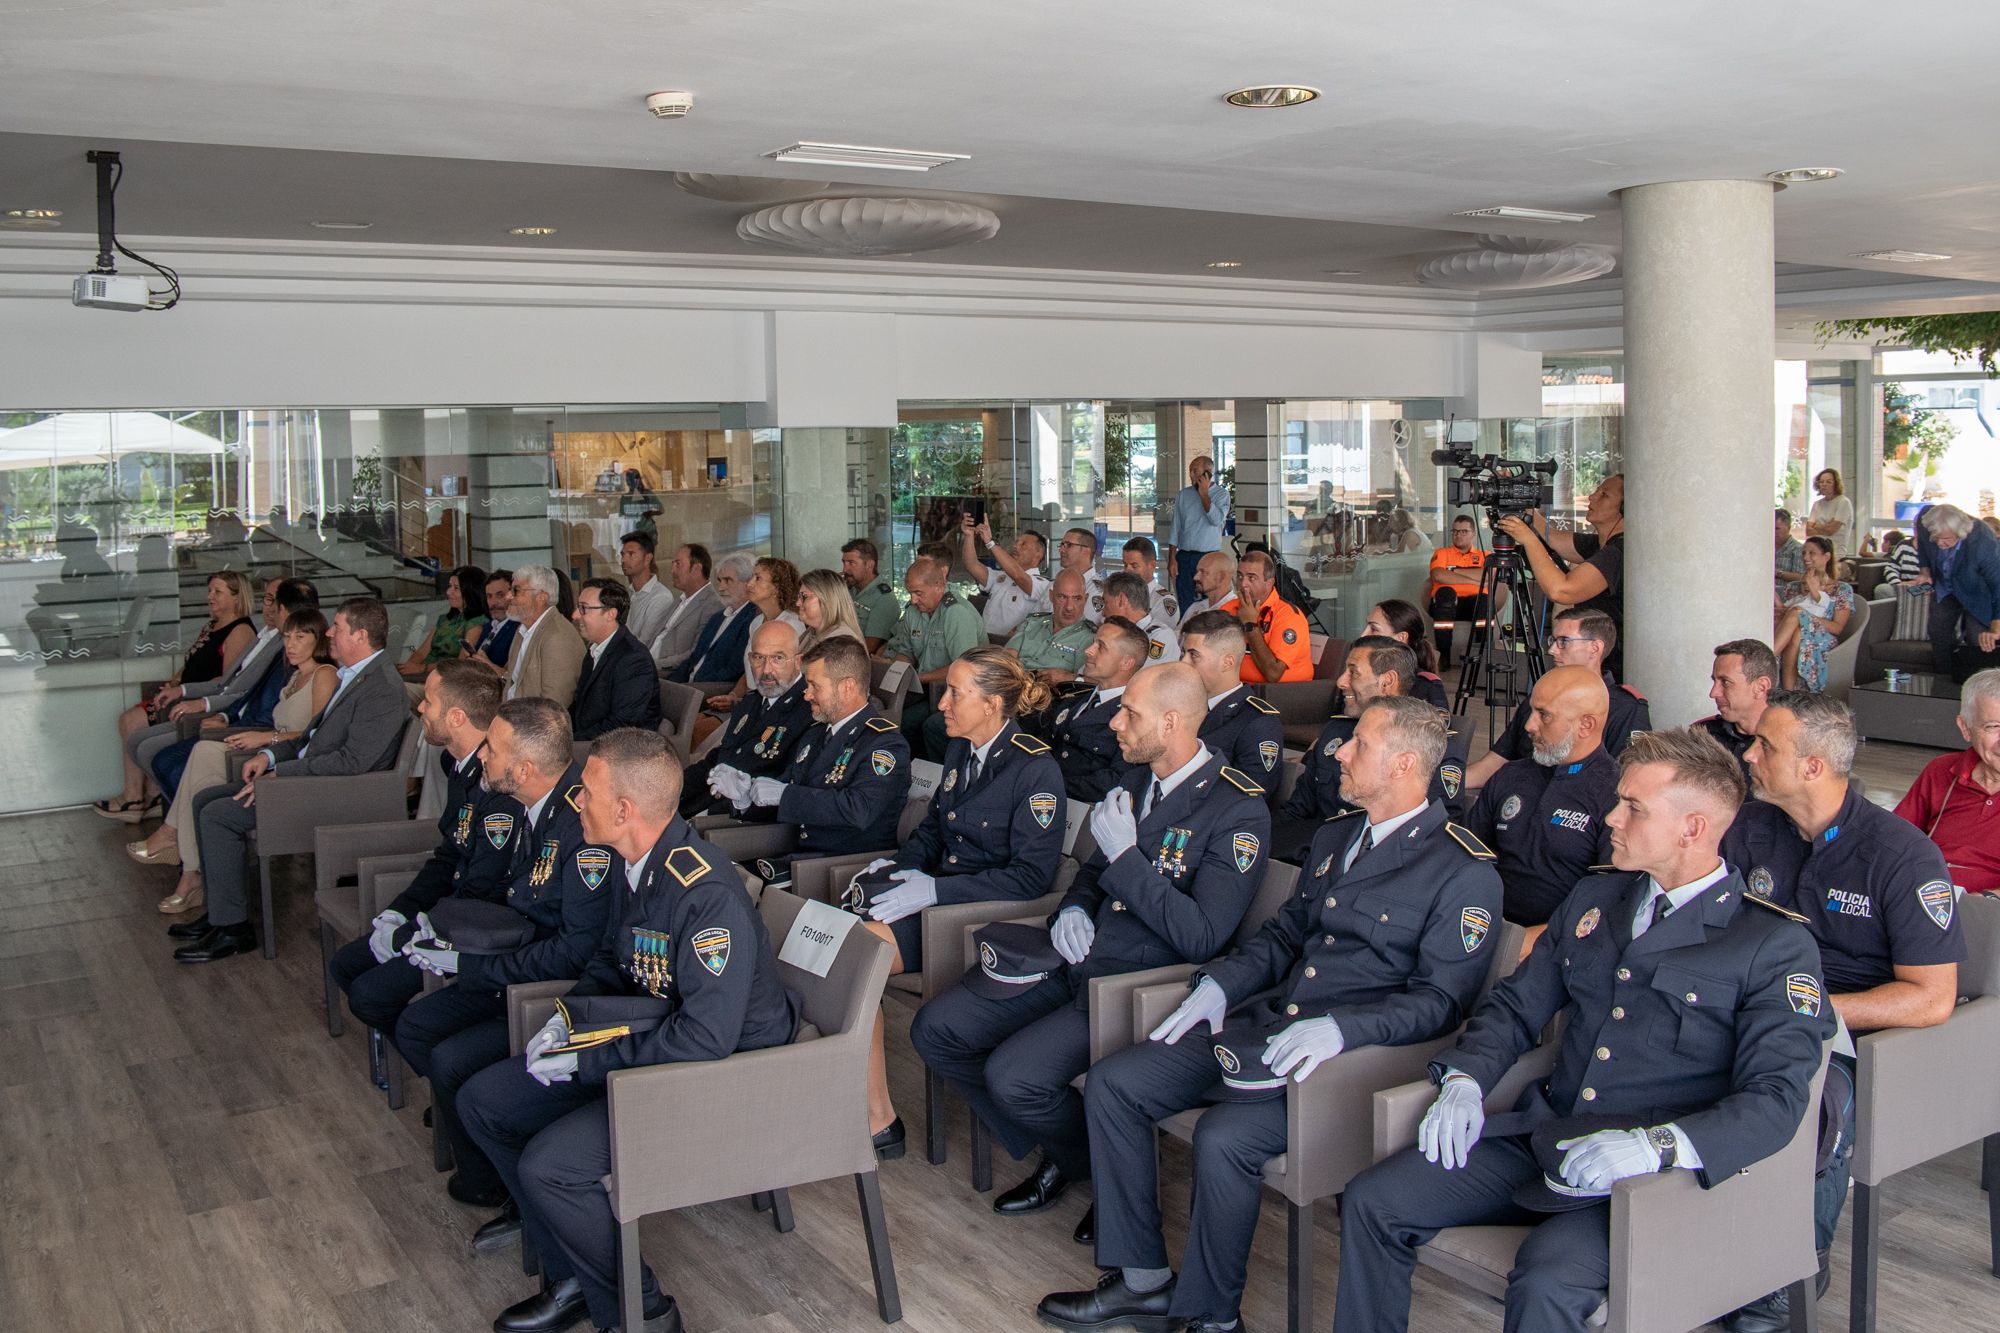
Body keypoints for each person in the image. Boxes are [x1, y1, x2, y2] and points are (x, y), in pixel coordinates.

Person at [1332, 727, 1831, 1333]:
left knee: (1547, 1281)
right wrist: (1465, 1078)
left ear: (1692, 828)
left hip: (1650, 1179)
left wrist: (1661, 1146)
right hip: (1545, 1135)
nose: (1611, 818)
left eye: (1633, 808)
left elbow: (1776, 1099)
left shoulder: (1771, 943)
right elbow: (1516, 1007)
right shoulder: (1598, 895)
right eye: (1618, 800)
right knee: (1372, 1201)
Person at [1041, 696, 1503, 1333]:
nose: (1337, 751)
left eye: (1358, 744)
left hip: (1347, 1064)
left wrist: (1343, 1029)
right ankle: (1142, 1281)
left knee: (1223, 1137)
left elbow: (1440, 1002)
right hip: (1267, 1026)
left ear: (1401, 765)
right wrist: (1218, 986)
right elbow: (1285, 937)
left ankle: (1211, 1316)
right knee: (1118, 1084)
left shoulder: (1461, 869)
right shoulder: (1339, 835)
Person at [458, 729, 799, 1333]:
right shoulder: (634, 862)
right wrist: (566, 1021)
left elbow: (704, 1041)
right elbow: (612, 963)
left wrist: (589, 1062)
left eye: (585, 791)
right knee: (485, 1102)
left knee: (551, 1166)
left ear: (624, 809)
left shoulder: (703, 895)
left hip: (722, 1075)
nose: (574, 802)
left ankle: (644, 1312)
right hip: (654, 1038)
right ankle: (575, 1276)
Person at [912, 663, 1266, 1239]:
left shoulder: (1235, 808)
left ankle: (1101, 1167)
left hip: (1136, 986)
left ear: (1172, 722)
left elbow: (1203, 935)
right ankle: (1082, 1156)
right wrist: (1074, 906)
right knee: (937, 1029)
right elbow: (1091, 873)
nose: (1116, 724)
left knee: (1013, 1076)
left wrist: (1128, 861)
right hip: (1076, 958)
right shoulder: (1132, 782)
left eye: (1131, 713)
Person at [1721, 691, 1962, 1331]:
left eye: (1766, 746)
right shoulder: (1751, 826)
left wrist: (1813, 1014)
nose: (1749, 754)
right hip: (1740, 1006)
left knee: (1819, 1094)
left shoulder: (1901, 855)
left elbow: (1932, 996)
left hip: (1845, 1038)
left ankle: (1790, 1268)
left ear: (1812, 767)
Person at [391, 699, 607, 1227]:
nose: (482, 755)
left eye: (493, 749)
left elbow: (575, 950)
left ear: (524, 769)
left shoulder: (580, 828)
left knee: (452, 1062)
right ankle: (487, 1160)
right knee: (417, 1027)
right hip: (514, 962)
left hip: (546, 989)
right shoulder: (532, 805)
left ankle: (505, 1187)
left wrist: (474, 965)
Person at [847, 646, 1066, 1159]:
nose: (941, 702)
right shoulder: (959, 750)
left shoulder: (1034, 770)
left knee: (855, 957)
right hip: (935, 904)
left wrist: (937, 891)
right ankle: (865, 1105)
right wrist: (898, 866)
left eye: (954, 692)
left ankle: (877, 1119)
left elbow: (1032, 878)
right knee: (837, 942)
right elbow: (933, 831)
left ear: (991, 704)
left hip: (973, 920)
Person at [170, 597, 409, 963]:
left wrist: (281, 774)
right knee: (205, 800)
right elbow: (312, 740)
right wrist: (268, 756)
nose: (329, 632)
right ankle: (220, 914)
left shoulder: (382, 687)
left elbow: (352, 762)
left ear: (360, 635)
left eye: (338, 627)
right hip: (306, 781)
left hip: (331, 795)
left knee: (218, 815)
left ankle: (234, 929)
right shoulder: (354, 675)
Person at [326, 660, 514, 1086]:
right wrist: (399, 912)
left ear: (457, 717)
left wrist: (421, 927)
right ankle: (438, 1073)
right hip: (449, 908)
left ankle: (449, 1085)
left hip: (475, 928)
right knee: (346, 965)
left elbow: (486, 886)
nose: (420, 710)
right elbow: (448, 855)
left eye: (428, 701)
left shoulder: (498, 782)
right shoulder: (459, 766)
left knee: (369, 994)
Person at [130, 608, 340, 912]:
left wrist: (265, 738)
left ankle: (185, 861)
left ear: (317, 639)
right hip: (267, 751)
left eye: (300, 636)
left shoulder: (325, 674)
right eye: (287, 637)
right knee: (202, 756)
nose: (291, 644)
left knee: (206, 775)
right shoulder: (295, 675)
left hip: (288, 760)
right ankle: (189, 867)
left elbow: (317, 734)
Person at [732, 636, 913, 885]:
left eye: (815, 686)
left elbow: (858, 810)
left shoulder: (884, 743)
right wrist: (745, 798)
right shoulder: (817, 732)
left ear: (847, 687)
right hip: (795, 857)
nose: (806, 695)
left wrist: (786, 795)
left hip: (838, 870)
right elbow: (785, 788)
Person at [1271, 637, 1467, 862]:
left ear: (1387, 682)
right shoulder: (1336, 731)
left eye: (1353, 672)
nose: (1341, 682)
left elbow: (1428, 837)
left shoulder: (1431, 746)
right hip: (1310, 857)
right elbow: (1296, 811)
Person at [127, 577, 318, 803]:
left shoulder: (290, 652)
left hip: (253, 728)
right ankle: (169, 818)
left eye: (272, 600)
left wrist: (211, 708)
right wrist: (214, 708)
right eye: (266, 599)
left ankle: (168, 820)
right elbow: (243, 686)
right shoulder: (266, 638)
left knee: (162, 758)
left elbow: (314, 732)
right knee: (151, 750)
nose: (268, 606)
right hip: (235, 719)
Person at [94, 570, 259, 822]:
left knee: (131, 722)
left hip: (199, 703)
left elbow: (228, 680)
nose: (210, 596)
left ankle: (134, 798)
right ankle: (148, 796)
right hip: (181, 694)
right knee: (130, 723)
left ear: (237, 598)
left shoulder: (240, 631)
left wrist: (183, 691)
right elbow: (193, 661)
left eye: (218, 592)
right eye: (209, 591)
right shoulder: (212, 626)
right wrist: (175, 681)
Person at [1463, 666, 1618, 933]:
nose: (1529, 725)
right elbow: (1466, 854)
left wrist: (1529, 943)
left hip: (1560, 942)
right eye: (1531, 711)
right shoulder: (1511, 775)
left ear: (1586, 725)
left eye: (1544, 715)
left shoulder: (1616, 795)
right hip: (1478, 921)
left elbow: (1609, 901)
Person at [1463, 609, 1650, 790]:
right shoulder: (1540, 699)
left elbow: (1628, 783)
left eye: (1564, 642)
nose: (1552, 650)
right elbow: (1492, 765)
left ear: (1595, 648)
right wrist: (1440, 785)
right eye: (1553, 640)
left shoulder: (1626, 708)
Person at [1496, 472, 1626, 675]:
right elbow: (1553, 536)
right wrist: (1521, 500)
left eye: (1604, 495)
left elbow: (1562, 591)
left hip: (1611, 665)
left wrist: (1529, 540)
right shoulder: (1599, 543)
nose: (1592, 496)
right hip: (1597, 659)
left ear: (1625, 509)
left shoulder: (1618, 551)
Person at [682, 620, 812, 818]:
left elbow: (785, 788)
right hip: (702, 804)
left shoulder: (808, 711)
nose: (766, 669)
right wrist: (671, 787)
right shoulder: (750, 702)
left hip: (736, 821)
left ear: (797, 661)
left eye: (777, 658)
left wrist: (704, 817)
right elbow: (718, 761)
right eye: (759, 657)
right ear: (750, 659)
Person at [1894, 667, 2000, 892]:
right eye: (1994, 727)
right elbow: (1894, 838)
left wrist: (1989, 901)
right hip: (1919, 894)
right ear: (1965, 728)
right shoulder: (1942, 771)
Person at [1031, 616, 1149, 803]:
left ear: (1126, 663)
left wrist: (1047, 783)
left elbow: (1116, 782)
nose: (1088, 651)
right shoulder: (1073, 700)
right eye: (1093, 643)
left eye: (1100, 646)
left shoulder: (1136, 718)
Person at [881, 554, 985, 759]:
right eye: (910, 593)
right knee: (883, 711)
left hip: (959, 692)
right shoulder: (914, 612)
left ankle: (929, 776)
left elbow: (964, 669)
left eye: (919, 593)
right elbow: (907, 652)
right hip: (923, 688)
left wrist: (917, 678)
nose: (913, 599)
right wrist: (896, 673)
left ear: (939, 585)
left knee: (909, 722)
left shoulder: (956, 613)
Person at [1179, 610, 1285, 789]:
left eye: (1193, 655)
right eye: (1183, 653)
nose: (1183, 663)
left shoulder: (1257, 724)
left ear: (1227, 662)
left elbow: (1248, 801)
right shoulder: (1179, 706)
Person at [567, 578, 663, 740]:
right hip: (588, 741)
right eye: (578, 607)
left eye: (583, 608)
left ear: (610, 614)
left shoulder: (633, 659)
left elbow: (622, 725)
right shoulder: (595, 649)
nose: (575, 615)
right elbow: (580, 706)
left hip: (621, 752)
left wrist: (571, 742)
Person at [1913, 503, 2000, 678]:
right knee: (1938, 633)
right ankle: (1944, 681)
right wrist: (1925, 571)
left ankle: (1981, 687)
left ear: (1960, 534)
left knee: (1979, 639)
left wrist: (1996, 627)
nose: (1939, 543)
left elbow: (1998, 585)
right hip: (1946, 586)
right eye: (1935, 538)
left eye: (1945, 539)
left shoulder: (1984, 541)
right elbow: (1923, 542)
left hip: (1977, 590)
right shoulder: (1926, 520)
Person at [1773, 536, 1854, 691]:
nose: (1805, 557)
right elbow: (1786, 612)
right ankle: (1789, 692)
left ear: (1827, 556)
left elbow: (1837, 628)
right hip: (1794, 633)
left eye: (1812, 553)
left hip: (1823, 637)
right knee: (1797, 632)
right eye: (1803, 553)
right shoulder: (1794, 587)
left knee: (1797, 614)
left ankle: (1769, 658)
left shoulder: (1842, 589)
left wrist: (1803, 616)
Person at [501, 565, 588, 707]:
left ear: (541, 598)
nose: (508, 596)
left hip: (533, 726)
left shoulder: (557, 637)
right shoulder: (523, 629)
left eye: (516, 591)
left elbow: (554, 705)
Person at [668, 550, 753, 686]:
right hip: (690, 685)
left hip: (714, 689)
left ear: (748, 583)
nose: (721, 587)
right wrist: (671, 684)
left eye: (728, 580)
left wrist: (691, 687)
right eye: (720, 580)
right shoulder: (717, 618)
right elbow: (694, 658)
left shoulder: (752, 619)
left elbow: (735, 669)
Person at [1698, 637, 1779, 776]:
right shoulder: (1702, 735)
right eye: (1715, 681)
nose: (1713, 693)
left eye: (1725, 682)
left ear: (1761, 687)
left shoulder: (1798, 741)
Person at [961, 514, 1048, 637]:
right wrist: (968, 535)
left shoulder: (1041, 583)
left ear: (1038, 555)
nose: (1015, 546)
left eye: (1023, 545)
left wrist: (990, 543)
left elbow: (1018, 575)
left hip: (1010, 647)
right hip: (985, 641)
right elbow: (971, 565)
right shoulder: (1001, 577)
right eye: (1016, 542)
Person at [399, 565, 488, 684]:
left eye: (456, 588)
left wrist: (422, 669)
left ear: (471, 591)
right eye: (449, 586)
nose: (448, 592)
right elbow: (421, 652)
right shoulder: (445, 620)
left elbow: (461, 662)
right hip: (423, 674)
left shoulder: (476, 623)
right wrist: (408, 667)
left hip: (443, 679)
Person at [1232, 550, 1311, 684]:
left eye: (1251, 578)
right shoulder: (1228, 608)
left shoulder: (1288, 616)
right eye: (1240, 576)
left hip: (1278, 695)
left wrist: (1250, 625)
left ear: (1269, 582)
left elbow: (1273, 674)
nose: (1243, 584)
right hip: (1232, 688)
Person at [1005, 568, 1096, 684]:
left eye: (1077, 598)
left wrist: (1069, 677)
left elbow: (1094, 683)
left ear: (1086, 599)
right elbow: (1006, 660)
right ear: (1051, 596)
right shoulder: (1032, 623)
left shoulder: (1090, 639)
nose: (1069, 607)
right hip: (1014, 686)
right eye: (1062, 597)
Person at [1166, 454, 1230, 612]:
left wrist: (1204, 494)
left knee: (1207, 600)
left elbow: (1215, 520)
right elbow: (1176, 527)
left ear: (1208, 473)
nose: (1191, 475)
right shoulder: (1183, 495)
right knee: (1184, 600)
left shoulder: (1221, 495)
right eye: (1190, 471)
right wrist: (1172, 558)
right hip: (1184, 556)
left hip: (1208, 557)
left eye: (1195, 471)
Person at [1427, 513, 1491, 669]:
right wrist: (1473, 580)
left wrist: (1453, 571)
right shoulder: (1442, 553)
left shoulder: (1485, 555)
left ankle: (1483, 656)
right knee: (1445, 595)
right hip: (1446, 604)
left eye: (1463, 531)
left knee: (1483, 600)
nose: (1458, 535)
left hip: (1473, 604)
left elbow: (1488, 576)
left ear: (1473, 535)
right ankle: (1444, 657)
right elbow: (1439, 575)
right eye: (1455, 531)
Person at [1362, 599, 1448, 709]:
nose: (1363, 635)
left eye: (1374, 629)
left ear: (1401, 638)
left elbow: (1437, 725)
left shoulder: (1425, 686)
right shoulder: (1357, 674)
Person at [649, 543, 717, 672]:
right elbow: (656, 636)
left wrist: (651, 665)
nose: (672, 570)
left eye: (678, 564)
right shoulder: (678, 601)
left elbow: (694, 653)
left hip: (666, 673)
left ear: (696, 569)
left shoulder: (712, 606)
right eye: (672, 564)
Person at [1102, 570, 1179, 663]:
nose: (1103, 613)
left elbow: (1141, 675)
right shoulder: (1115, 633)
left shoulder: (1161, 637)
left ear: (1121, 600)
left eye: (1106, 603)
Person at [841, 537, 902, 651]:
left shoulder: (883, 599)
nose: (845, 569)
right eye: (844, 562)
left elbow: (869, 647)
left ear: (869, 565)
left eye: (851, 563)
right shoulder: (849, 590)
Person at [615, 530, 673, 650]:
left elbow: (644, 643)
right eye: (622, 554)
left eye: (631, 554)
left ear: (647, 558)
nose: (623, 560)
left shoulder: (661, 597)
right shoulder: (627, 592)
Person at [796, 567, 864, 653]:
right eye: (798, 596)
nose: (798, 603)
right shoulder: (813, 632)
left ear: (828, 599)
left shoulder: (841, 643)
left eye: (804, 596)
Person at [1121, 536, 1179, 622]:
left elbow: (1159, 634)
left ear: (1152, 565)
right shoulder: (1120, 594)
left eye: (1134, 566)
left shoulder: (1163, 601)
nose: (1127, 571)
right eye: (1125, 565)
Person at [1805, 467, 1856, 560]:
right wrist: (1825, 526)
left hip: (1836, 555)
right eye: (1821, 482)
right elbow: (1808, 531)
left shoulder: (1843, 502)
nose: (1824, 485)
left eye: (1828, 482)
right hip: (1817, 554)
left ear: (1836, 484)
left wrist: (1816, 526)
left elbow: (1831, 530)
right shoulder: (1817, 504)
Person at [475, 569, 521, 670]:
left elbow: (511, 675)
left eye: (500, 595)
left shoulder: (520, 629)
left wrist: (486, 663)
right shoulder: (488, 627)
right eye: (489, 596)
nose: (493, 602)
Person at [1179, 549, 1240, 625]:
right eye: (1197, 572)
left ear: (1221, 577)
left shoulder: (1237, 611)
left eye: (1203, 572)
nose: (1195, 577)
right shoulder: (1195, 608)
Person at [1773, 508, 1806, 599]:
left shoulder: (1798, 549)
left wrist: (1778, 573)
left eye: (1777, 528)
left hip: (1787, 596)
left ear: (1788, 527)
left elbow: (1801, 577)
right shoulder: (1765, 547)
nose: (1773, 532)